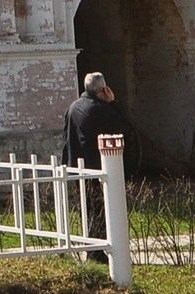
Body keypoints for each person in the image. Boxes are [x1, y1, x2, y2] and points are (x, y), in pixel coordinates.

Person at [62, 73, 129, 263]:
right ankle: (98, 251)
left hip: (76, 166)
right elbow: (121, 124)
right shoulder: (99, 108)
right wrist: (112, 102)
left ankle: (91, 246)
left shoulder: (72, 107)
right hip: (96, 166)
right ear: (103, 90)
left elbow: (66, 137)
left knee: (87, 208)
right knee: (99, 208)